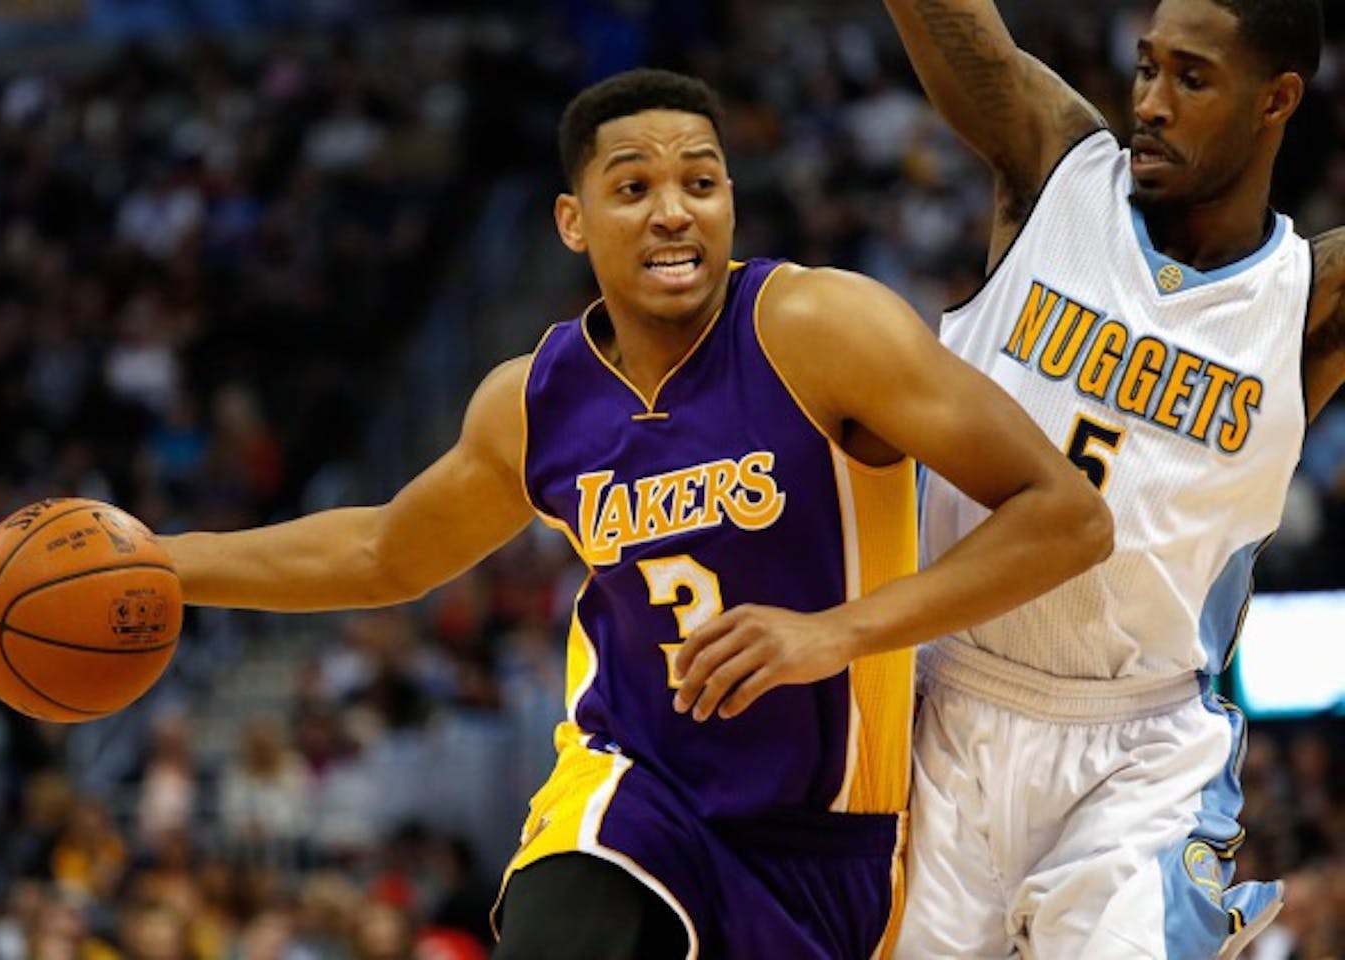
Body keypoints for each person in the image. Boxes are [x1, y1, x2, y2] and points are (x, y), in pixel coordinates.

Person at [159, 68, 1112, 959]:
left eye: (701, 183)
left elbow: (1066, 515)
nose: (673, 213)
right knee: (567, 914)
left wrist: (836, 634)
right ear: (573, 222)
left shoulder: (820, 329)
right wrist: (164, 562)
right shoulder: (532, 400)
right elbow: (382, 552)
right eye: (634, 189)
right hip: (632, 785)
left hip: (830, 837)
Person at [878, 0, 1345, 957]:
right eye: (1145, 70)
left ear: (1278, 99)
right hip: (937, 705)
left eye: (1192, 78)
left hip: (1141, 755)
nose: (1152, 104)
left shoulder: (1308, 297)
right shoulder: (1057, 169)